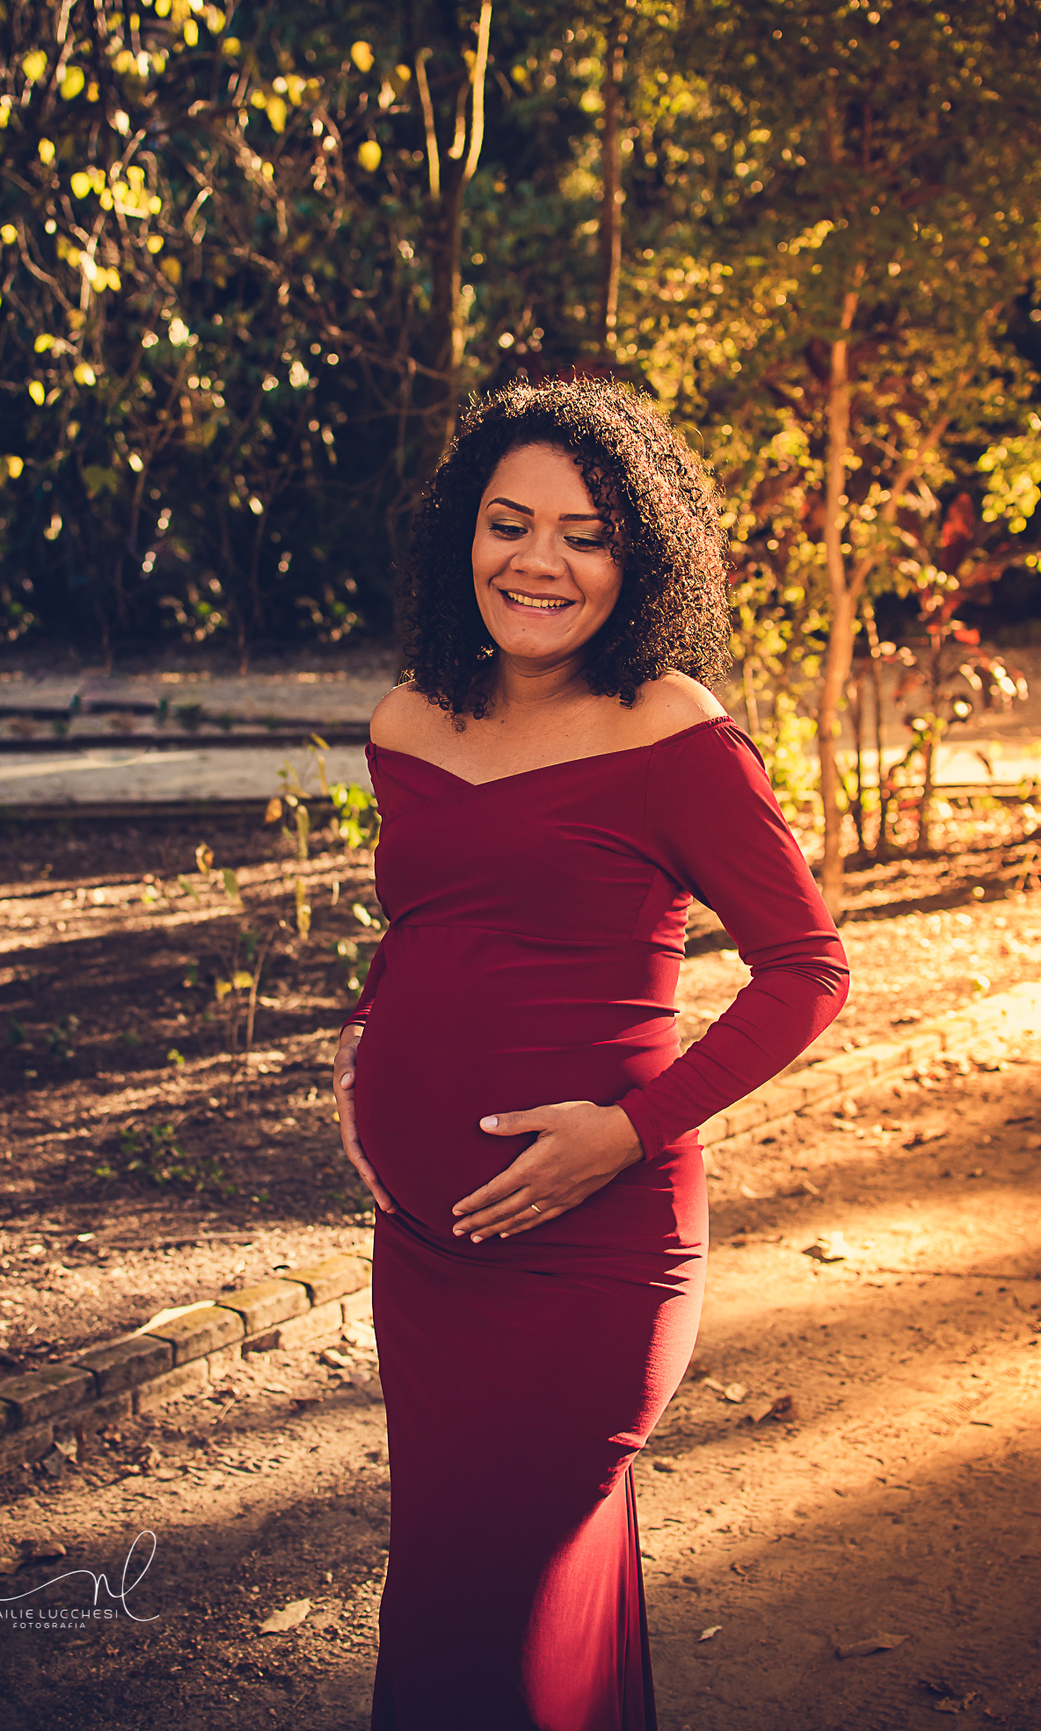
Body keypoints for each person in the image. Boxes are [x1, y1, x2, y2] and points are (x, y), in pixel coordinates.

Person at [332, 377, 849, 1730]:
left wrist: (626, 1132)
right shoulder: (406, 725)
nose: (540, 562)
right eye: (510, 524)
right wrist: (364, 1066)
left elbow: (809, 971)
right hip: (431, 1255)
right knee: (451, 1596)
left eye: (586, 533)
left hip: (596, 1255)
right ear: (466, 538)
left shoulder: (676, 734)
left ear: (640, 557)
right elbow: (427, 932)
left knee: (497, 1619)